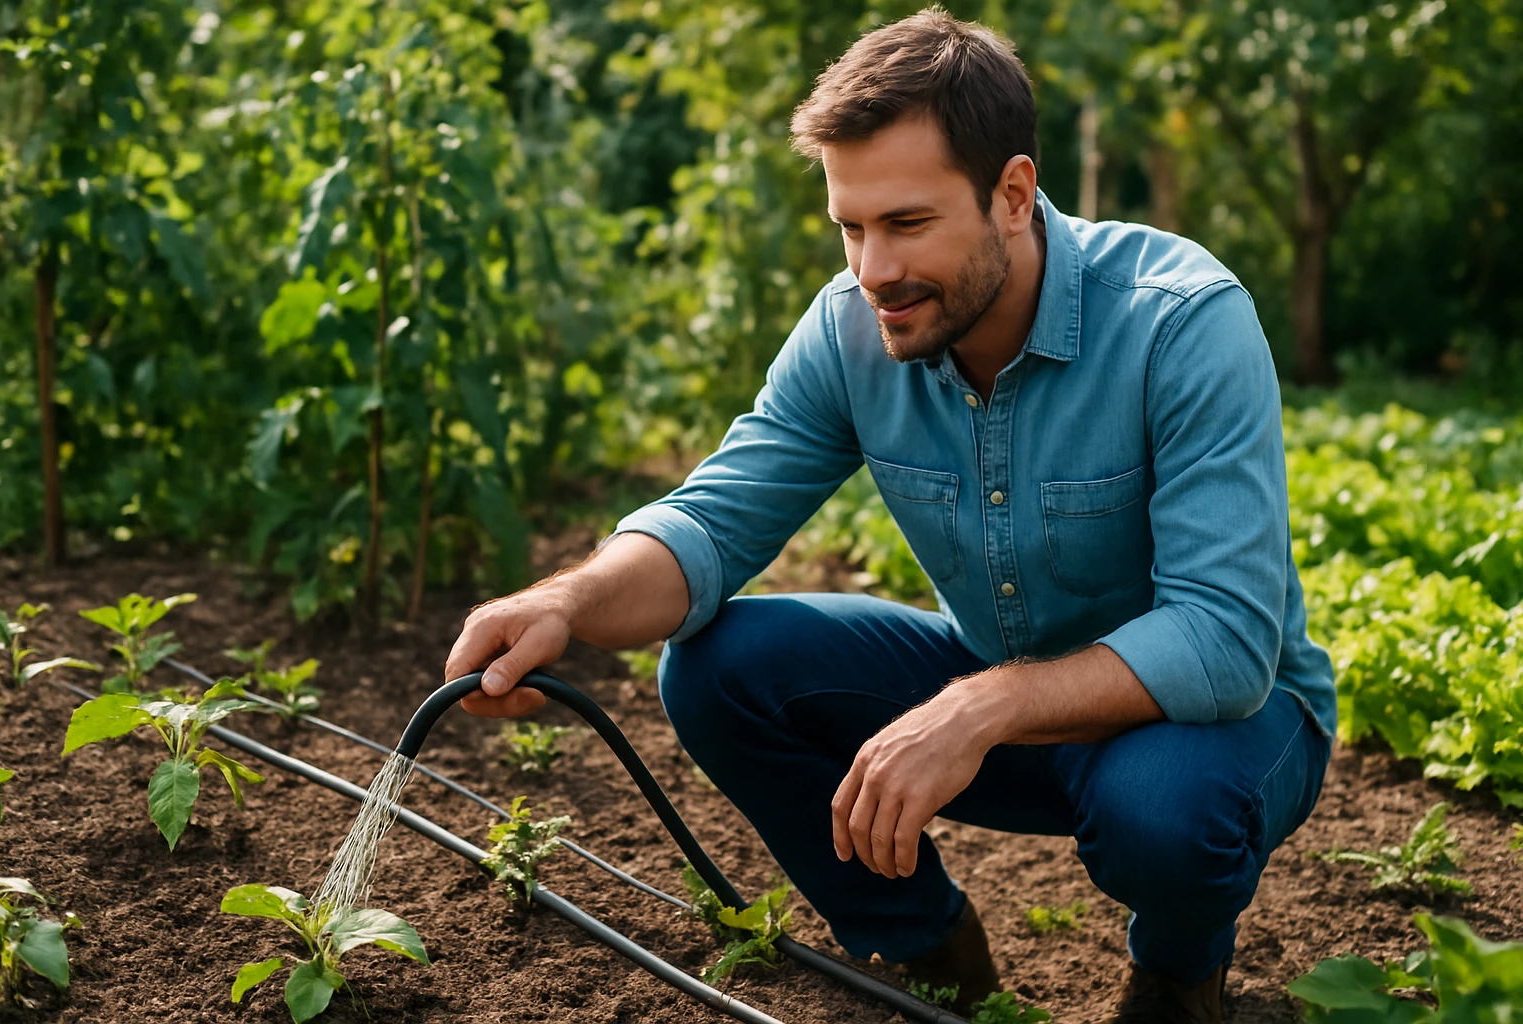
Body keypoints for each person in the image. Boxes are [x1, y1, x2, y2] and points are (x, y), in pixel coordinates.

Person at [445, 9, 1336, 1022]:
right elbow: (713, 519)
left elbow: (1223, 642)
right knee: (716, 665)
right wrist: (566, 600)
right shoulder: (855, 327)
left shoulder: (1181, 321)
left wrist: (978, 709)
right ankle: (931, 954)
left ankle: (1180, 970)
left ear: (1012, 194)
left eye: (907, 224)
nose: (871, 269)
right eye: (851, 227)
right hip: (1011, 706)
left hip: (1217, 727)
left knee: (1165, 812)